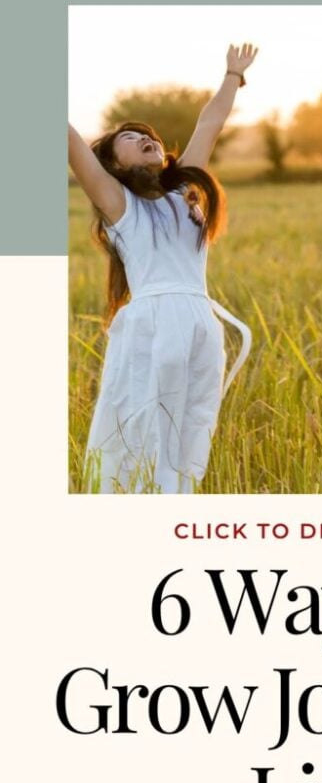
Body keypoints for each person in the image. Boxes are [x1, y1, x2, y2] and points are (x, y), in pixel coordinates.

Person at [68, 41, 258, 493]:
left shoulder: (183, 193)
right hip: (153, 322)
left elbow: (209, 124)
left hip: (200, 322)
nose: (143, 138)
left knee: (191, 430)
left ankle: (173, 503)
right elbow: (73, 145)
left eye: (145, 135)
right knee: (139, 427)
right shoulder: (119, 205)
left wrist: (233, 75)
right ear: (114, 166)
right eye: (128, 140)